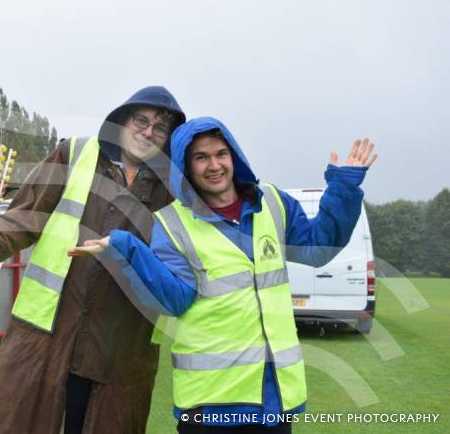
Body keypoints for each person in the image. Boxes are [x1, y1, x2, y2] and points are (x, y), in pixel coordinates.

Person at [70, 116, 378, 433]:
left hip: (273, 400)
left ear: (234, 156)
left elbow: (319, 249)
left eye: (220, 153)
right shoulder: (172, 224)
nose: (214, 165)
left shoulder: (273, 203)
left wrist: (344, 186)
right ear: (186, 168)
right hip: (211, 405)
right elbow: (174, 300)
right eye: (200, 157)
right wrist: (124, 247)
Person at [0, 86, 186, 433]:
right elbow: (24, 215)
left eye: (159, 128)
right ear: (121, 122)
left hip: (122, 348)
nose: (147, 132)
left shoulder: (174, 187)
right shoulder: (75, 153)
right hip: (47, 334)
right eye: (140, 121)